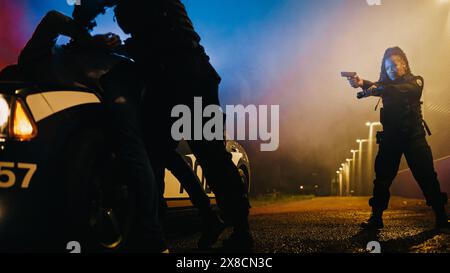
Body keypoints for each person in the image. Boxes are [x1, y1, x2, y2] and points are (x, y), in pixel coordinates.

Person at [73, 0, 254, 251]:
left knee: (200, 153)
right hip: (179, 75)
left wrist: (81, 24)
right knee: (165, 151)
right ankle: (213, 221)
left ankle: (235, 229)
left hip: (183, 75)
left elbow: (150, 34)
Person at [347, 46, 449, 230]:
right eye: (387, 68)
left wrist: (375, 89)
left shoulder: (416, 82)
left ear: (403, 63)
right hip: (391, 139)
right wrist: (361, 82)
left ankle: (441, 216)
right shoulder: (384, 86)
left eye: (394, 65)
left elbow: (396, 89)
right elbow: (380, 86)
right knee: (382, 179)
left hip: (414, 138)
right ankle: (376, 218)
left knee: (426, 176)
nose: (391, 69)